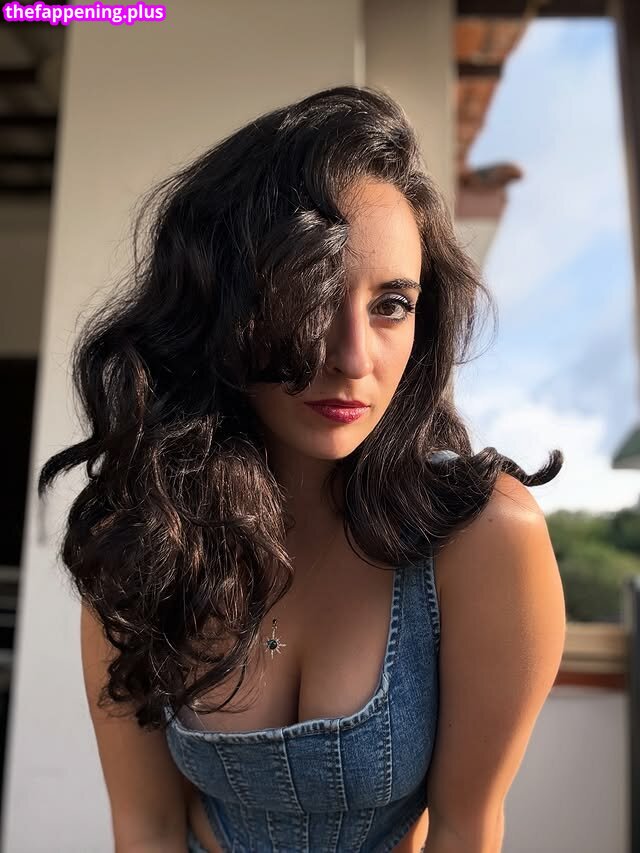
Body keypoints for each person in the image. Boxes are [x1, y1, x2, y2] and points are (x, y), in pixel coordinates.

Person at [39, 85, 567, 853]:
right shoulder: (144, 533)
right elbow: (146, 828)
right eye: (307, 295)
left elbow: (465, 828)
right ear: (218, 309)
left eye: (391, 304)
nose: (352, 357)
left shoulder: (483, 537)